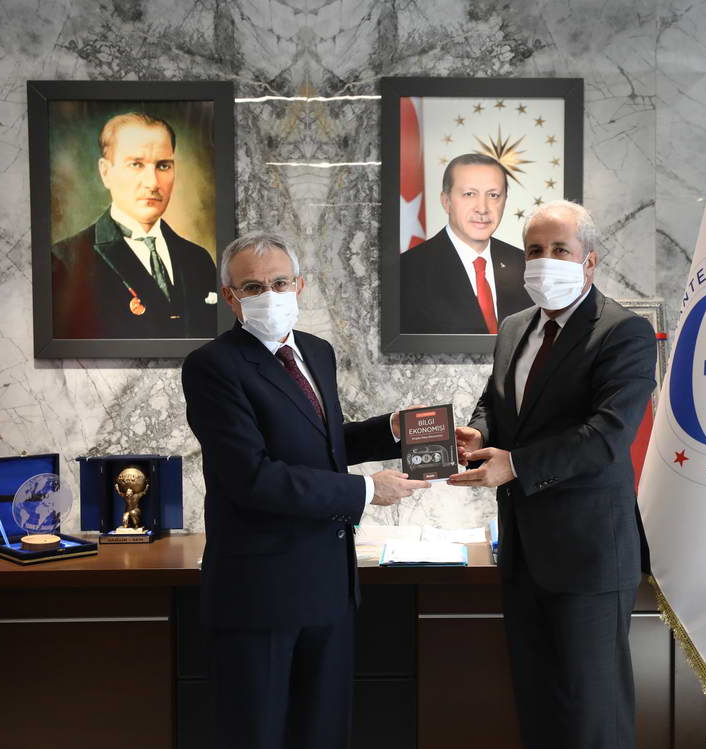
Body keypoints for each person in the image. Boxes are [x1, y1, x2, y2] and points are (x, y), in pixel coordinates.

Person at [182, 231, 429, 749]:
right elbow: (252, 477)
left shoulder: (317, 352)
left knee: (324, 734)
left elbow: (322, 443)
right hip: (258, 596)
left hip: (329, 588)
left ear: (300, 285)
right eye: (253, 287)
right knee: (256, 737)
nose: (269, 295)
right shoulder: (212, 366)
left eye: (279, 282)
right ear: (230, 297)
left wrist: (393, 430)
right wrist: (364, 492)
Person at [448, 200, 656, 748]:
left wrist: (515, 464)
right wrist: (479, 435)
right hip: (522, 553)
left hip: (589, 556)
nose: (545, 261)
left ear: (589, 261)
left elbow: (607, 434)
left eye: (560, 250)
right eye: (535, 250)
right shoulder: (515, 326)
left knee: (592, 717)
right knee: (539, 709)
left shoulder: (623, 332)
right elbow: (495, 402)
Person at [51, 112, 217, 339]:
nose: (152, 183)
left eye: (163, 166)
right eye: (136, 164)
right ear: (106, 172)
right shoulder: (65, 262)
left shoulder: (198, 260)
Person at [400, 153, 533, 334]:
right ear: (446, 201)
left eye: (493, 195)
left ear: (505, 201)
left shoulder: (526, 265)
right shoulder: (406, 271)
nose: (482, 208)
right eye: (469, 194)